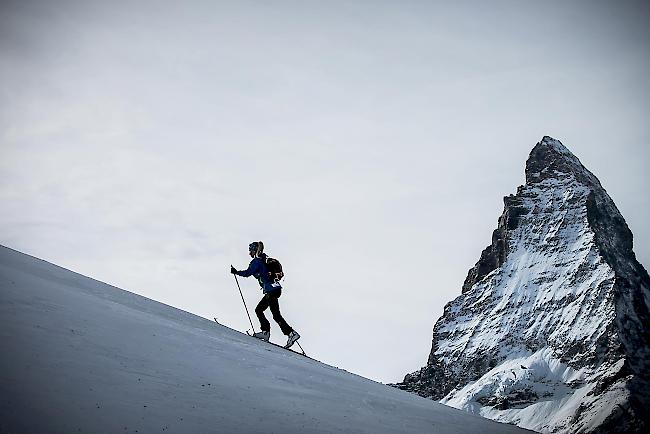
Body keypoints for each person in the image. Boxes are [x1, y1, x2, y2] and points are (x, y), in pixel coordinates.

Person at [231, 241, 300, 349]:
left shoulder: (257, 261)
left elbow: (248, 273)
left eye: (251, 251)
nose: (249, 253)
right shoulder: (264, 259)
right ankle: (266, 332)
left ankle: (290, 333)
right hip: (275, 289)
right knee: (260, 310)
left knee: (274, 314)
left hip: (271, 290)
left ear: (255, 250)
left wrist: (236, 272)